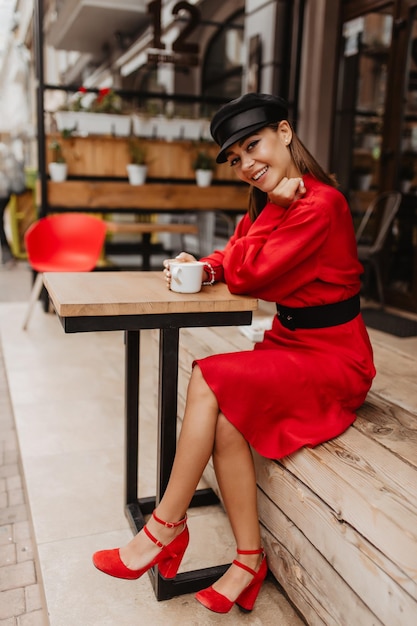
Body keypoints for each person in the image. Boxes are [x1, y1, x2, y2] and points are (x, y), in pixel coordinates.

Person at [92, 93, 376, 614]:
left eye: (254, 146)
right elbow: (235, 255)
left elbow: (252, 273)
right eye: (236, 158)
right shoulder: (279, 202)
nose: (247, 164)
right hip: (292, 344)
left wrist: (268, 218)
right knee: (224, 419)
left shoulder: (320, 203)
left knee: (208, 375)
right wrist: (203, 267)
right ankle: (248, 561)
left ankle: (165, 528)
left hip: (335, 358)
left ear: (285, 133)